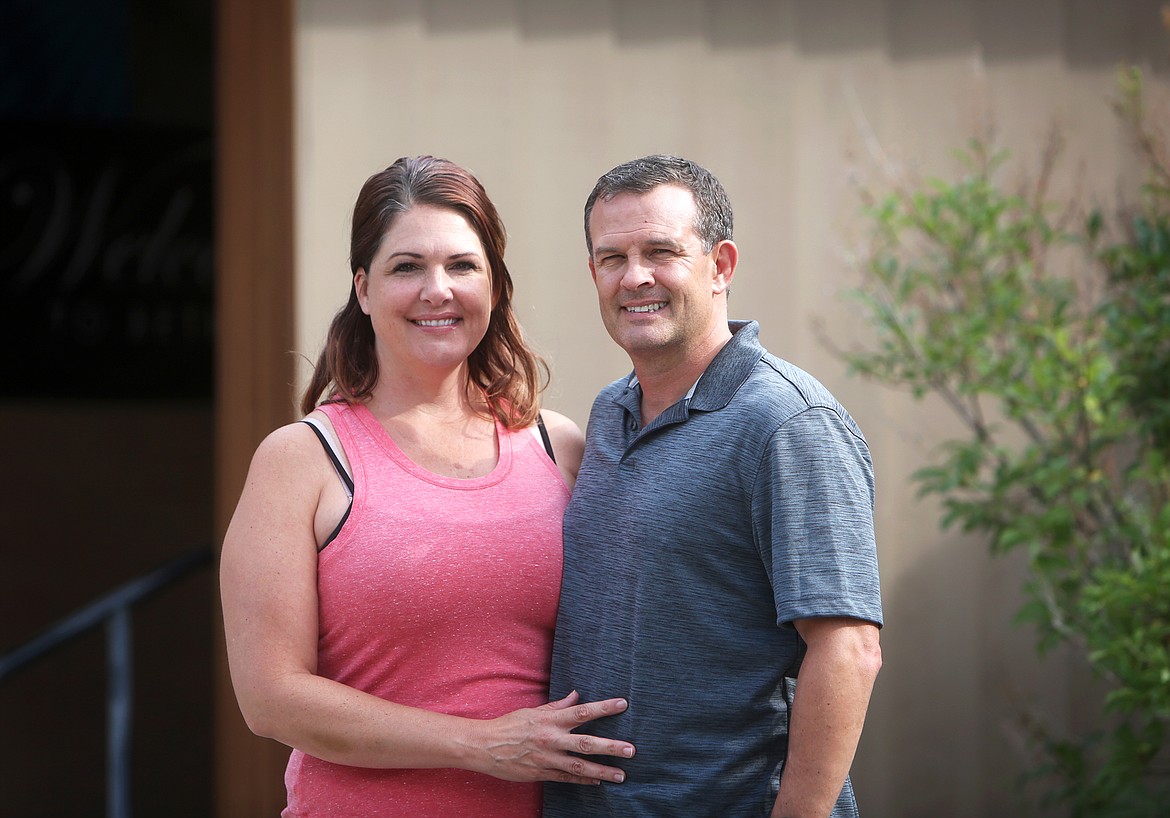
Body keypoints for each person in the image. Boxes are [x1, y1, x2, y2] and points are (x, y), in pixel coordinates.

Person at [219, 155, 635, 818]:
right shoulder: (302, 461)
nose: (436, 290)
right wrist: (479, 744)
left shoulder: (560, 447)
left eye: (462, 266)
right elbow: (270, 697)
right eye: (406, 266)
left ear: (495, 286)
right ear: (362, 288)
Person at [545, 155, 884, 818]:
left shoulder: (787, 423)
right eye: (612, 257)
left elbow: (848, 648)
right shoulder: (610, 412)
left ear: (721, 265)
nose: (634, 276)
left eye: (661, 252)